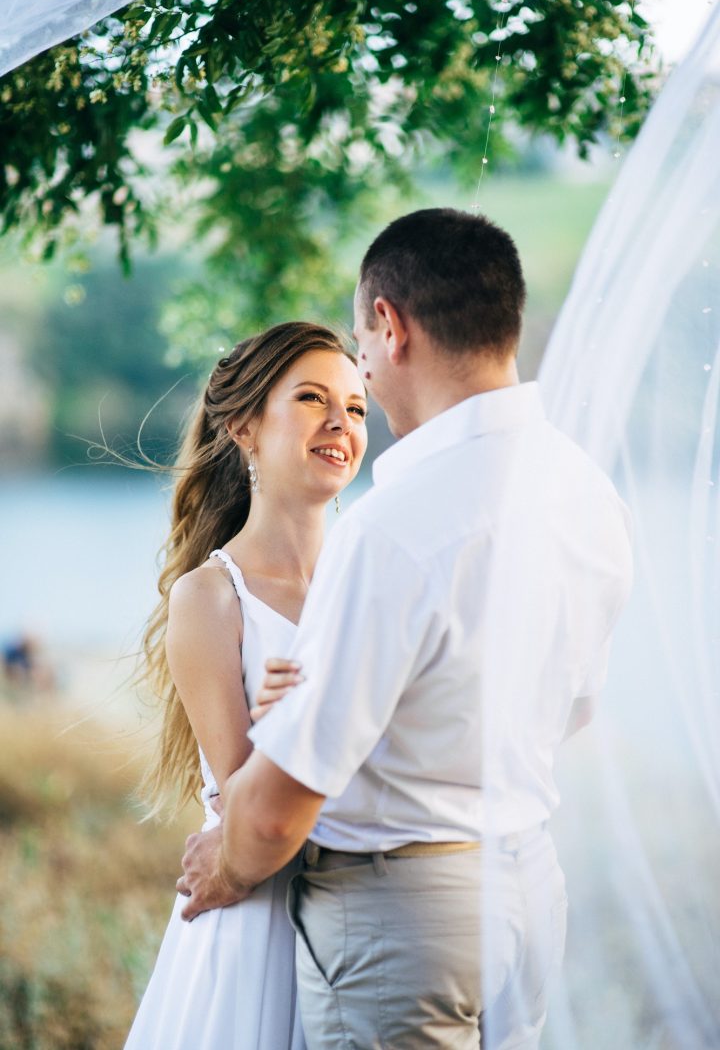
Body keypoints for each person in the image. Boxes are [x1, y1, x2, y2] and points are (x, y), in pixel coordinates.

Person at [177, 208, 634, 1049]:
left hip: (404, 916)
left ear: (389, 327)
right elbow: (573, 708)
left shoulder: (392, 525)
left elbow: (276, 815)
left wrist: (225, 863)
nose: (358, 399)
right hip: (529, 893)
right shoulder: (589, 494)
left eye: (359, 355)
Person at [124, 321, 368, 1050]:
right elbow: (241, 800)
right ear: (244, 427)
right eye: (312, 398)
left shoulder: (370, 577)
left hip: (359, 916)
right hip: (257, 924)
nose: (340, 423)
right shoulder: (210, 596)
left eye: (356, 407)